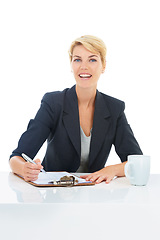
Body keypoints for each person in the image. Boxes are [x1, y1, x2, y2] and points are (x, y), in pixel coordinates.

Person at [9, 35, 142, 184]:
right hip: (54, 193)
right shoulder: (53, 103)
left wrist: (111, 170)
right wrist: (24, 169)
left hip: (92, 195)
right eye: (78, 59)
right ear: (71, 65)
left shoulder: (114, 108)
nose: (84, 66)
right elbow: (16, 157)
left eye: (92, 59)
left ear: (103, 65)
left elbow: (137, 161)